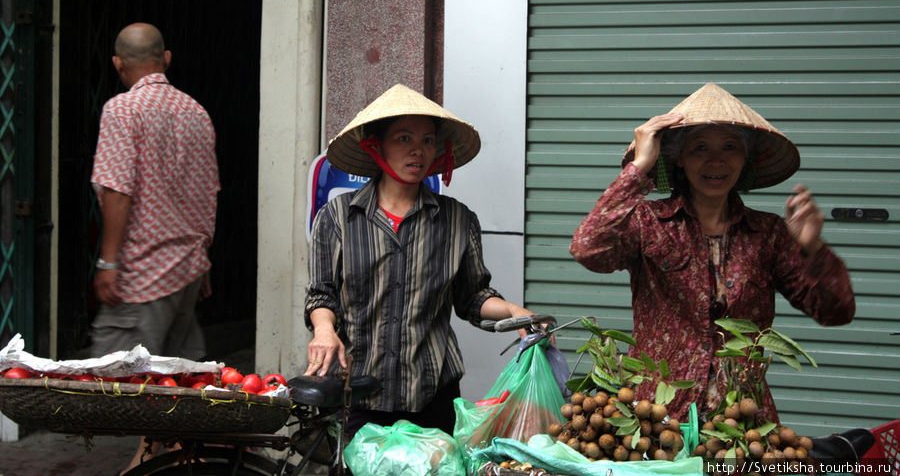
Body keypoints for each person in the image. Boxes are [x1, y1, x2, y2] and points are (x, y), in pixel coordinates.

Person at [569, 82, 855, 424]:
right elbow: (588, 249)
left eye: (730, 147)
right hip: (658, 416)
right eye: (700, 147)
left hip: (743, 419)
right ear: (679, 160)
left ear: (745, 159)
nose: (716, 160)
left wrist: (813, 250)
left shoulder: (768, 233)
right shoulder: (649, 222)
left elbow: (834, 313)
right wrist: (640, 167)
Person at [304, 83, 535, 436]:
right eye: (403, 139)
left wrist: (513, 311)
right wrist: (323, 329)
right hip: (359, 392)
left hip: (433, 395)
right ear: (375, 145)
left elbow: (472, 297)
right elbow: (322, 294)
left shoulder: (458, 219)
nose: (418, 151)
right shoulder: (338, 216)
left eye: (428, 141)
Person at [90, 22, 220, 473]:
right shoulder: (195, 112)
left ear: (118, 65)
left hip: (143, 274)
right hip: (186, 268)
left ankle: (157, 461)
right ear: (165, 60)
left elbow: (117, 191)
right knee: (178, 381)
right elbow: (209, 193)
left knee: (124, 384)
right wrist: (202, 261)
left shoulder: (122, 111)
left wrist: (108, 260)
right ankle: (172, 460)